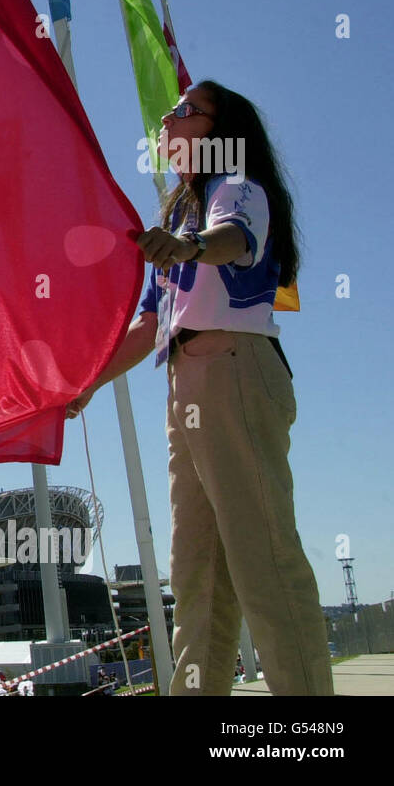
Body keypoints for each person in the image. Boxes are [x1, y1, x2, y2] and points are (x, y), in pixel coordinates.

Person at [66, 81, 332, 697]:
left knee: (264, 561)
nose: (169, 117)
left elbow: (233, 237)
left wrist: (190, 247)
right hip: (186, 390)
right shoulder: (180, 214)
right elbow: (146, 324)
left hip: (233, 372)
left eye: (186, 111)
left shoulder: (236, 186)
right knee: (197, 578)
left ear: (220, 130)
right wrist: (90, 384)